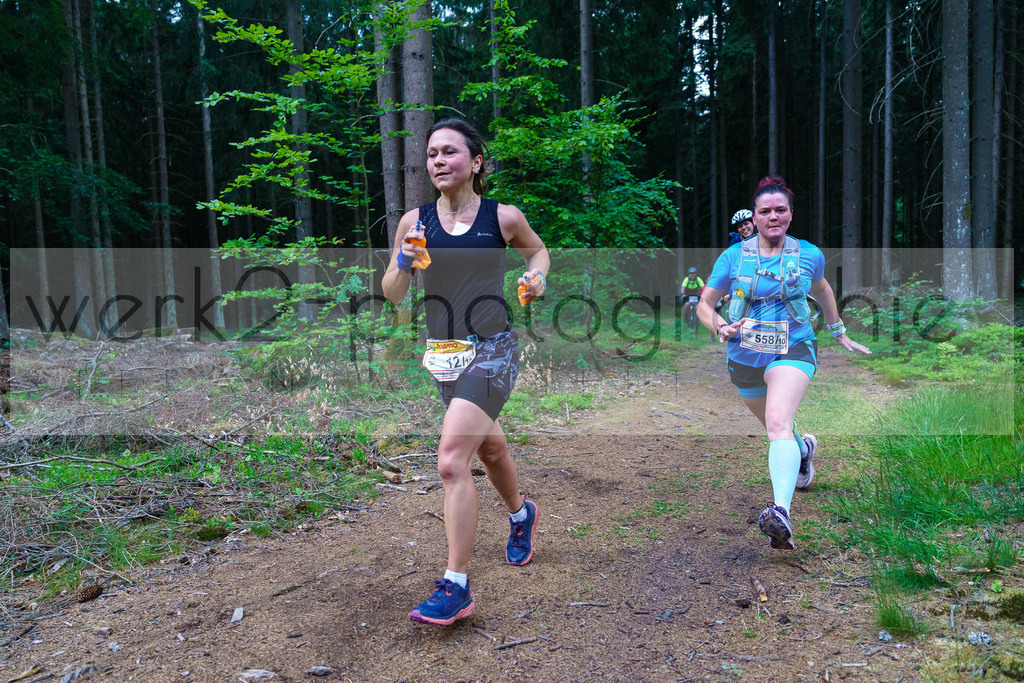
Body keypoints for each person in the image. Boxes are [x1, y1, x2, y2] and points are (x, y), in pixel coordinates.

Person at [382, 118, 550, 625]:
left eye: (449, 152)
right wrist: (403, 262)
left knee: (452, 460)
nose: (438, 160)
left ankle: (455, 586)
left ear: (475, 162)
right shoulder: (415, 222)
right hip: (444, 354)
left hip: (494, 348)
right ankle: (521, 513)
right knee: (490, 448)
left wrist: (536, 276)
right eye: (432, 153)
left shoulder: (503, 217)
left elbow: (537, 250)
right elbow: (392, 293)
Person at [697, 176, 870, 551]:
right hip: (744, 355)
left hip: (794, 346)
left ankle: (781, 513)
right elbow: (705, 304)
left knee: (777, 424)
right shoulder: (733, 257)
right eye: (765, 211)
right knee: (779, 429)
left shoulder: (809, 254)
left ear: (791, 214)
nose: (773, 216)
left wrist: (838, 330)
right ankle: (804, 452)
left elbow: (822, 289)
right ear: (754, 217)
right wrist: (721, 326)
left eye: (780, 209)